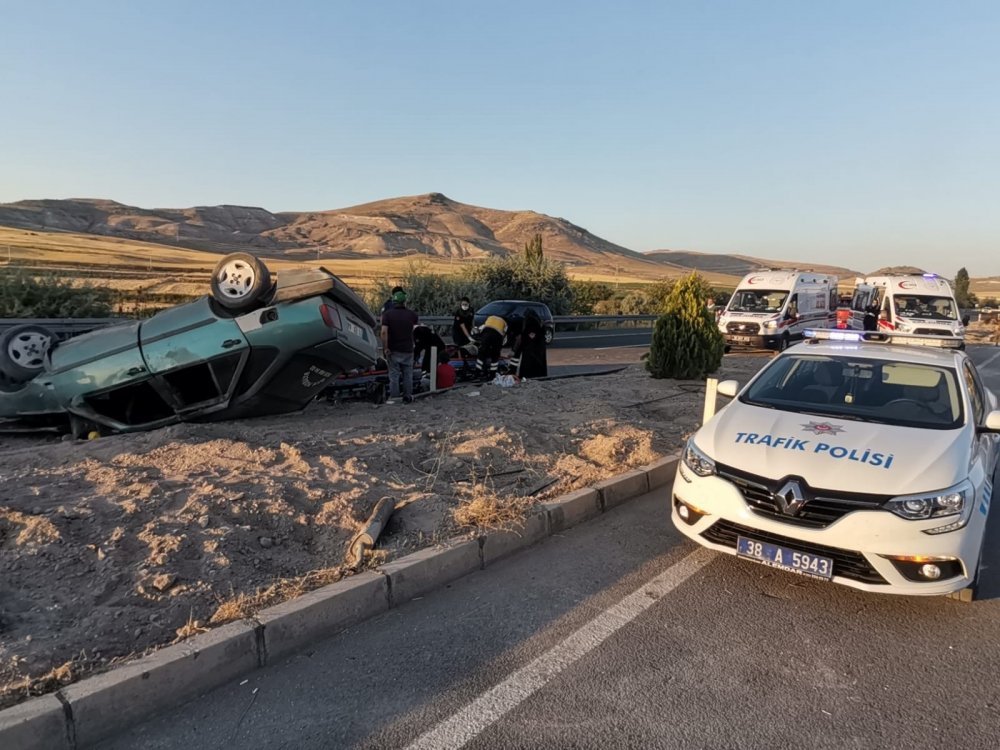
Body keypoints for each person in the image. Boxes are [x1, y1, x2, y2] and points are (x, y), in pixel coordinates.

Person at [380, 288, 418, 403]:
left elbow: (383, 332)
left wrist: (385, 347)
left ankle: (395, 399)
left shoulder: (387, 315)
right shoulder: (412, 315)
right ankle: (408, 397)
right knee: (408, 375)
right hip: (408, 349)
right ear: (405, 301)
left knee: (394, 376)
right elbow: (415, 331)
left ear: (393, 301)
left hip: (393, 350)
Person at [511, 308, 547, 378]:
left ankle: (527, 376)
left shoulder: (529, 322)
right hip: (539, 347)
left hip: (531, 348)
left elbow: (527, 336)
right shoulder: (538, 321)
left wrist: (516, 350)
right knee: (539, 365)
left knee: (528, 365)